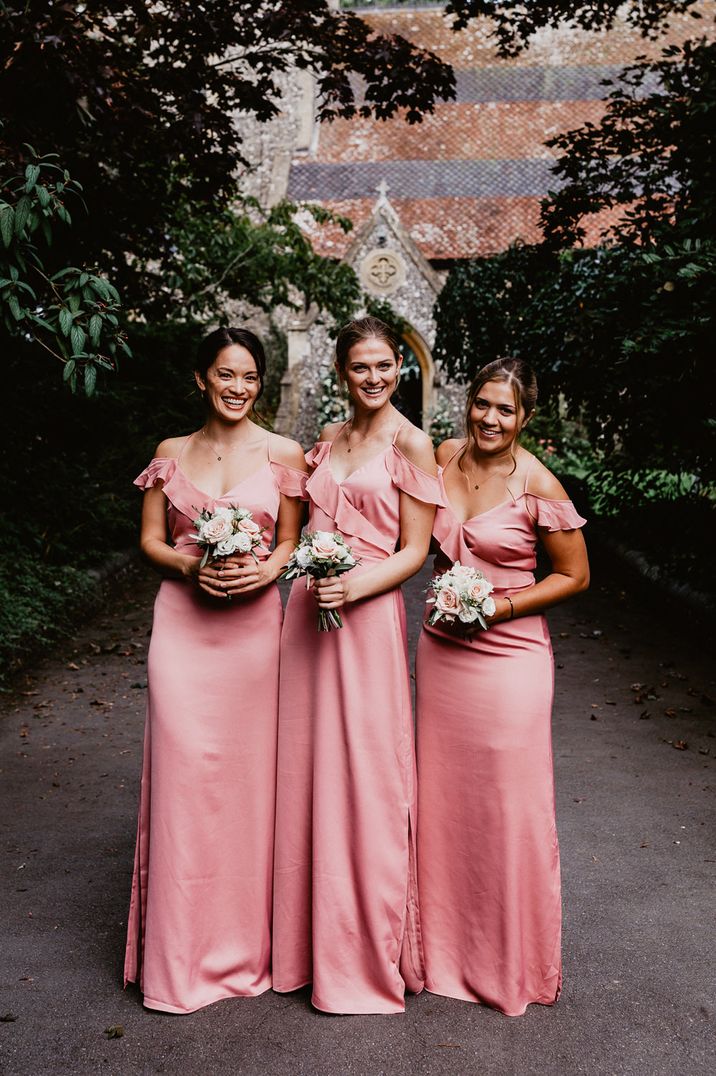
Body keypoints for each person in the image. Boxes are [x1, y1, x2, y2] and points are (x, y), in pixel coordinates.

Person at [123, 326, 307, 1013]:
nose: (238, 388)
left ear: (261, 384)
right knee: (183, 782)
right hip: (182, 629)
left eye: (250, 377)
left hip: (256, 634)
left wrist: (267, 569)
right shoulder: (171, 454)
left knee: (246, 788)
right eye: (226, 375)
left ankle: (242, 949)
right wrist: (189, 564)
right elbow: (148, 538)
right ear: (201, 378)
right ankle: (178, 958)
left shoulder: (284, 452)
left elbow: (291, 537)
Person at [272, 316, 442, 1014]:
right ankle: (301, 948)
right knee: (306, 775)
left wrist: (355, 585)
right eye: (359, 367)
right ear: (342, 373)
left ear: (400, 365)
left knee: (367, 780)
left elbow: (417, 550)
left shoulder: (414, 443)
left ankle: (362, 953)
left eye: (384, 365)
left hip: (365, 619)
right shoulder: (328, 443)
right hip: (305, 623)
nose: (373, 378)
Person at [415, 357, 589, 1017]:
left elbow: (573, 577)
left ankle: (508, 962)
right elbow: (426, 543)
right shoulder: (444, 455)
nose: (491, 419)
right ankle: (442, 954)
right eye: (483, 405)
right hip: (441, 653)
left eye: (506, 410)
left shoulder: (539, 483)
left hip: (510, 656)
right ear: (469, 405)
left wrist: (498, 608)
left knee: (508, 811)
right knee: (444, 805)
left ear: (526, 418)